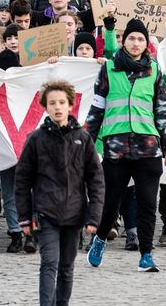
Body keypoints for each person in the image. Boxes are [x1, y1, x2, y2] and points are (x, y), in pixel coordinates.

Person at [85, 18, 166, 273]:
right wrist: (86, 144)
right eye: (132, 38)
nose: (136, 43)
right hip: (116, 149)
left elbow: (163, 112)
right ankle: (100, 239)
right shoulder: (109, 69)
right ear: (124, 41)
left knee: (147, 203)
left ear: (146, 44)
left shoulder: (155, 71)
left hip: (148, 149)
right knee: (110, 202)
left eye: (141, 39)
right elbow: (96, 110)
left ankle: (146, 254)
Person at [15, 80, 104, 305]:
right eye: (52, 103)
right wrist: (24, 217)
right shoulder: (35, 139)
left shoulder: (83, 139)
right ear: (45, 107)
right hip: (46, 212)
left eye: (62, 102)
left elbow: (96, 180)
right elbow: (22, 180)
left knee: (66, 267)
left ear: (70, 105)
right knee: (49, 263)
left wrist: (93, 217)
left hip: (74, 213)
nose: (57, 107)